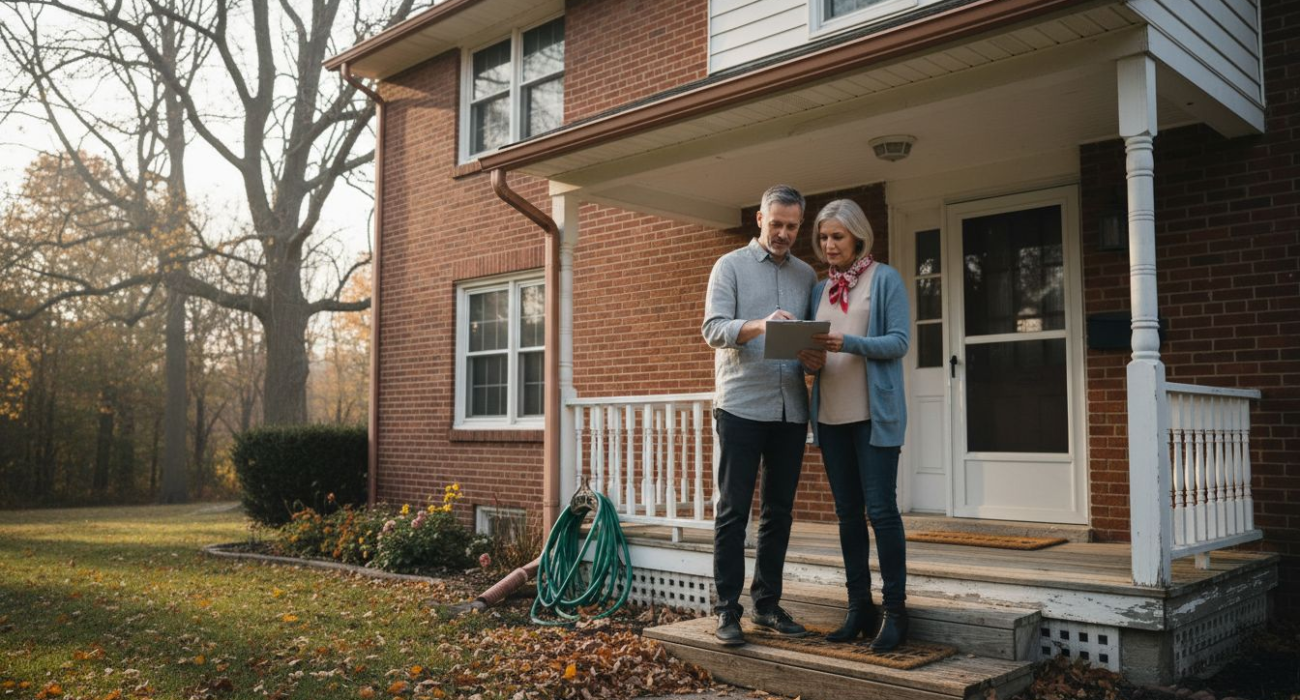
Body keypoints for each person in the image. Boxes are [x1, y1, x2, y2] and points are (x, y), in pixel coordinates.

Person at [701, 184, 825, 646]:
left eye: (792, 226)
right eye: (776, 224)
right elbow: (713, 329)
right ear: (759, 219)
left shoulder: (806, 276)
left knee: (779, 513)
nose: (784, 233)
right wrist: (759, 326)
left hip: (791, 408)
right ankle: (727, 610)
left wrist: (814, 358)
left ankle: (767, 605)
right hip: (740, 406)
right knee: (734, 513)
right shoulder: (729, 266)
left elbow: (809, 340)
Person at [807, 198, 911, 651]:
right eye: (824, 237)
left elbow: (899, 342)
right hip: (830, 417)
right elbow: (815, 346)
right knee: (847, 516)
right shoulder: (818, 289)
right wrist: (808, 355)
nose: (829, 245)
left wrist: (847, 341)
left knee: (881, 512)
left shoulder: (883, 279)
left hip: (874, 417)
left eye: (837, 236)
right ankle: (858, 609)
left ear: (858, 237)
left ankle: (895, 611)